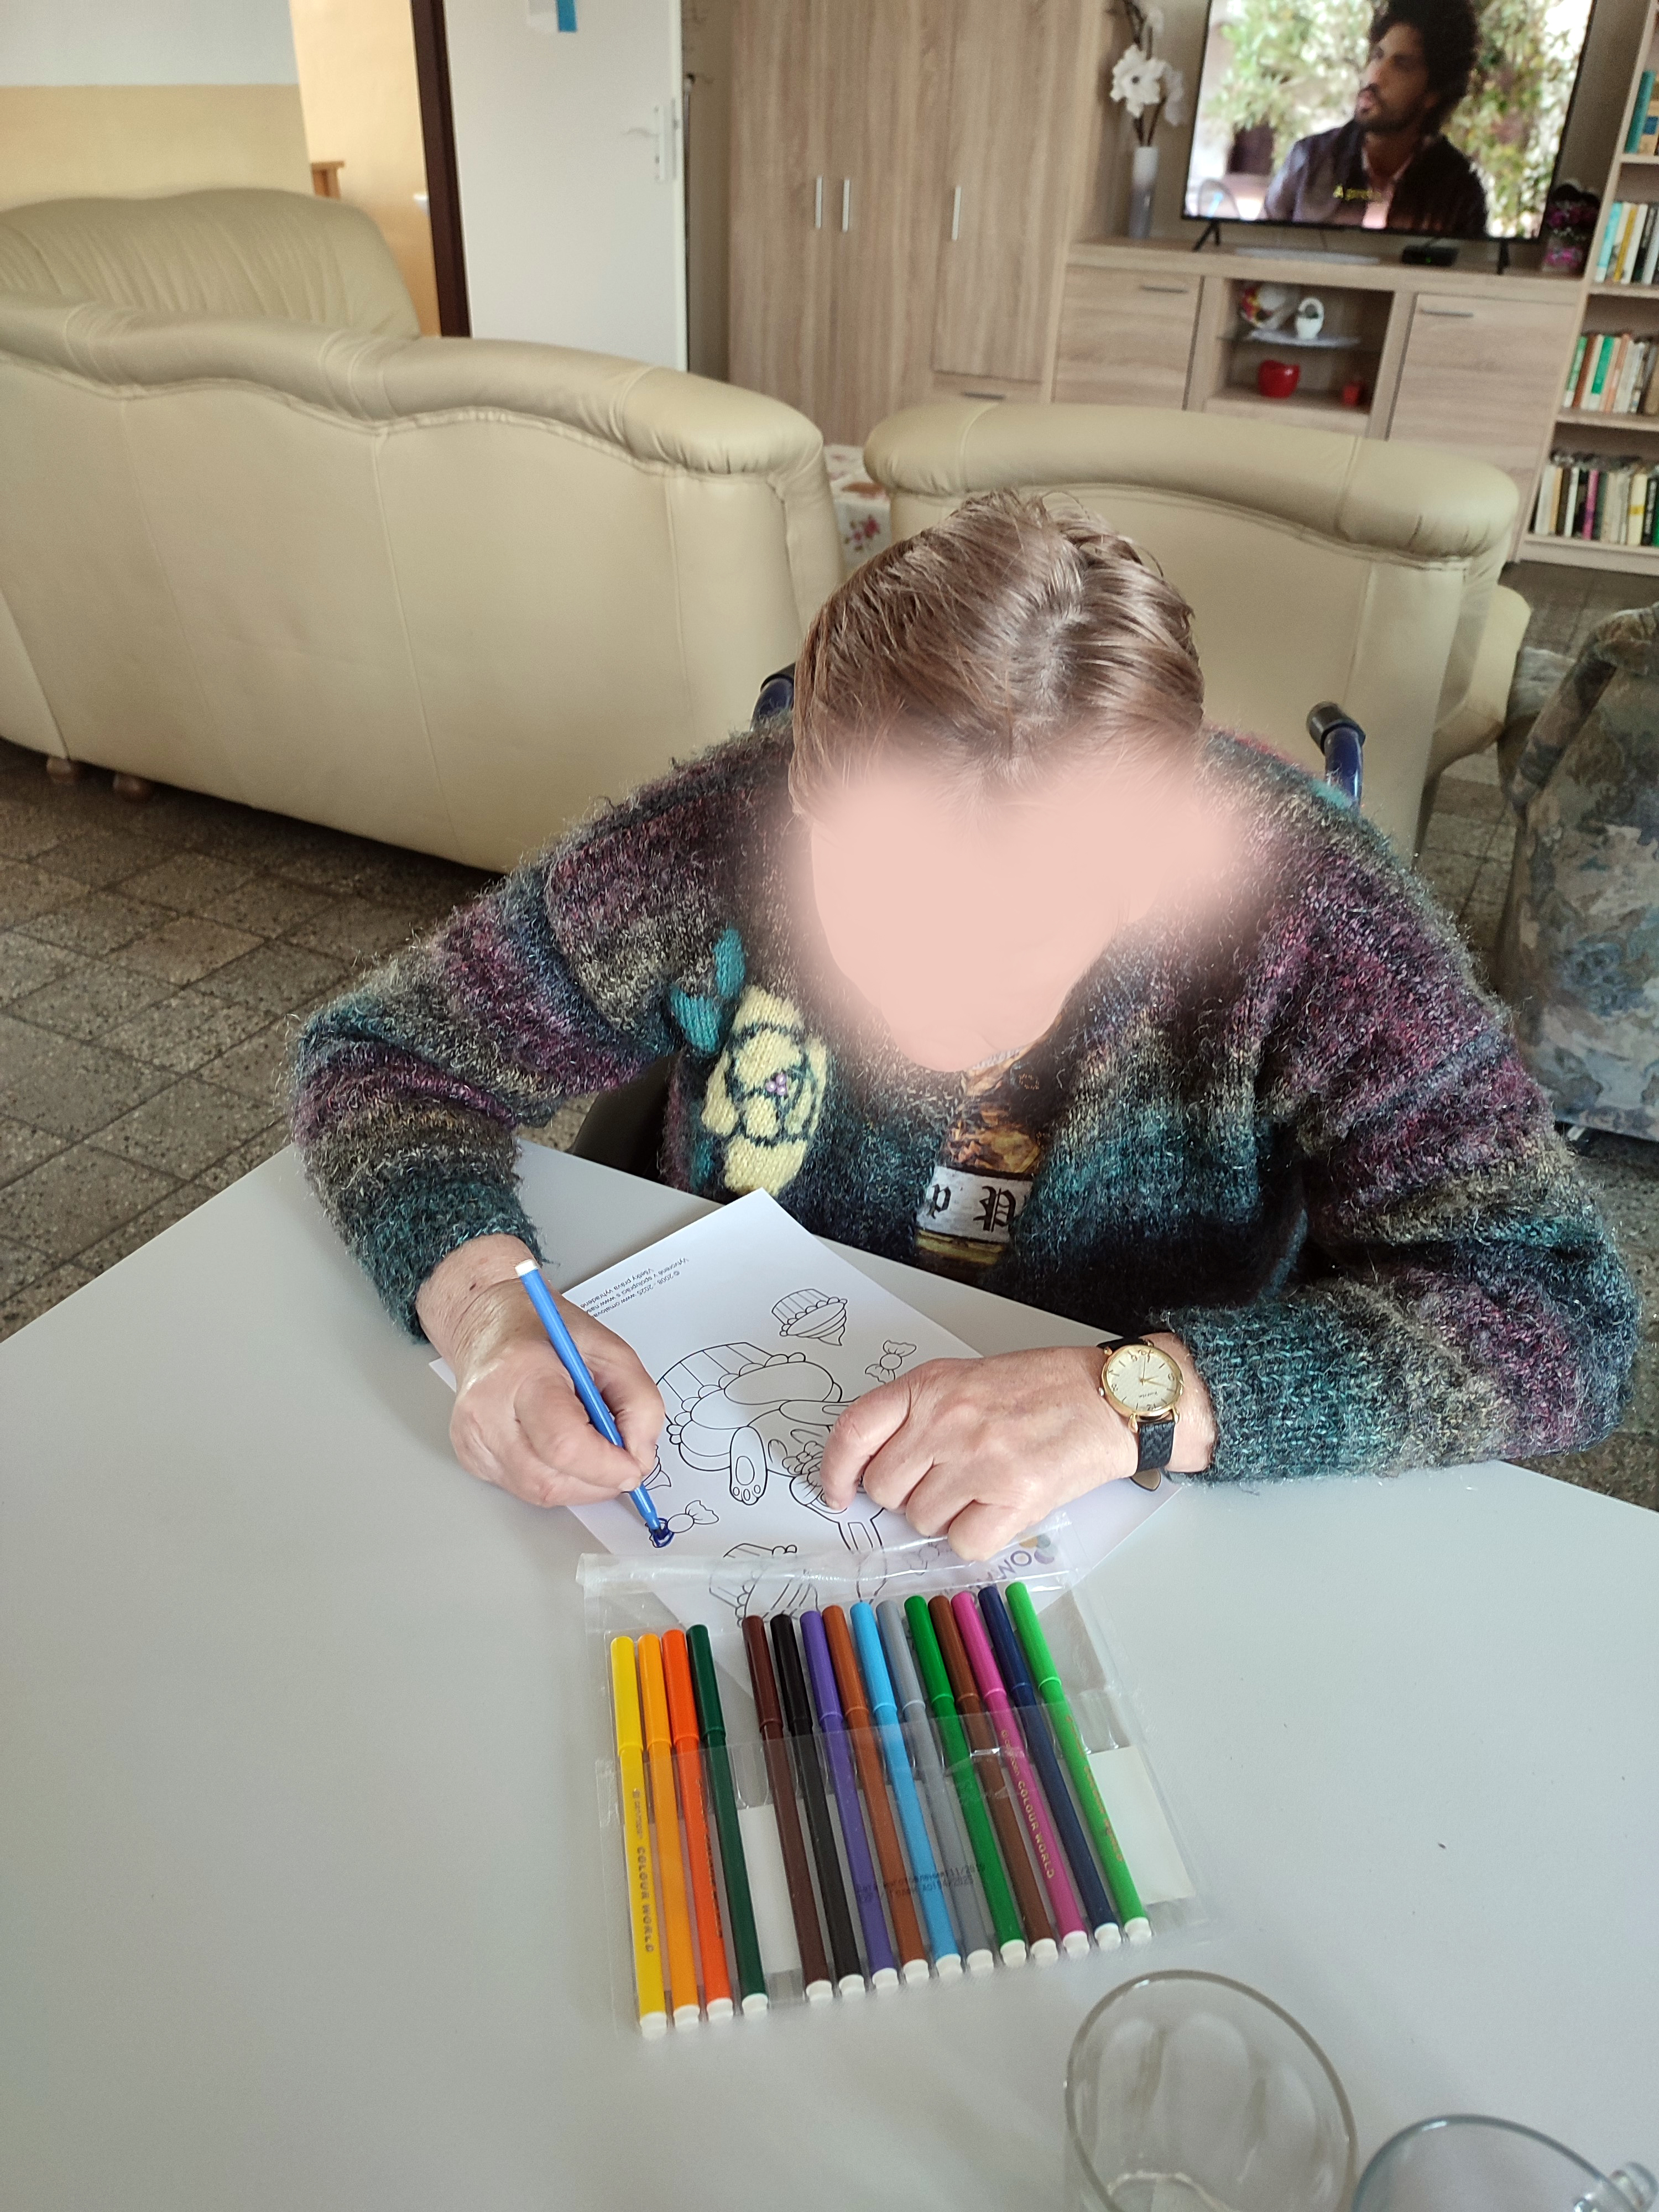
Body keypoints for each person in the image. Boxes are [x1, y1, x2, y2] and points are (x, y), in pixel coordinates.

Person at [289, 494, 1635, 1559]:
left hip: (1137, 1523)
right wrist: (488, 1312)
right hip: (729, 1440)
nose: (926, 994)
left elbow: (1559, 1314)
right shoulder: (713, 837)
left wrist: (1140, 1396)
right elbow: (384, 1057)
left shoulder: (1313, 914)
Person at [1262, 0, 1488, 236]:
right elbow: (1257, 250)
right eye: (1378, 56)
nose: (1376, 76)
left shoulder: (1459, 193)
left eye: (1401, 65)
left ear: (1433, 94)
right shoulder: (1309, 162)